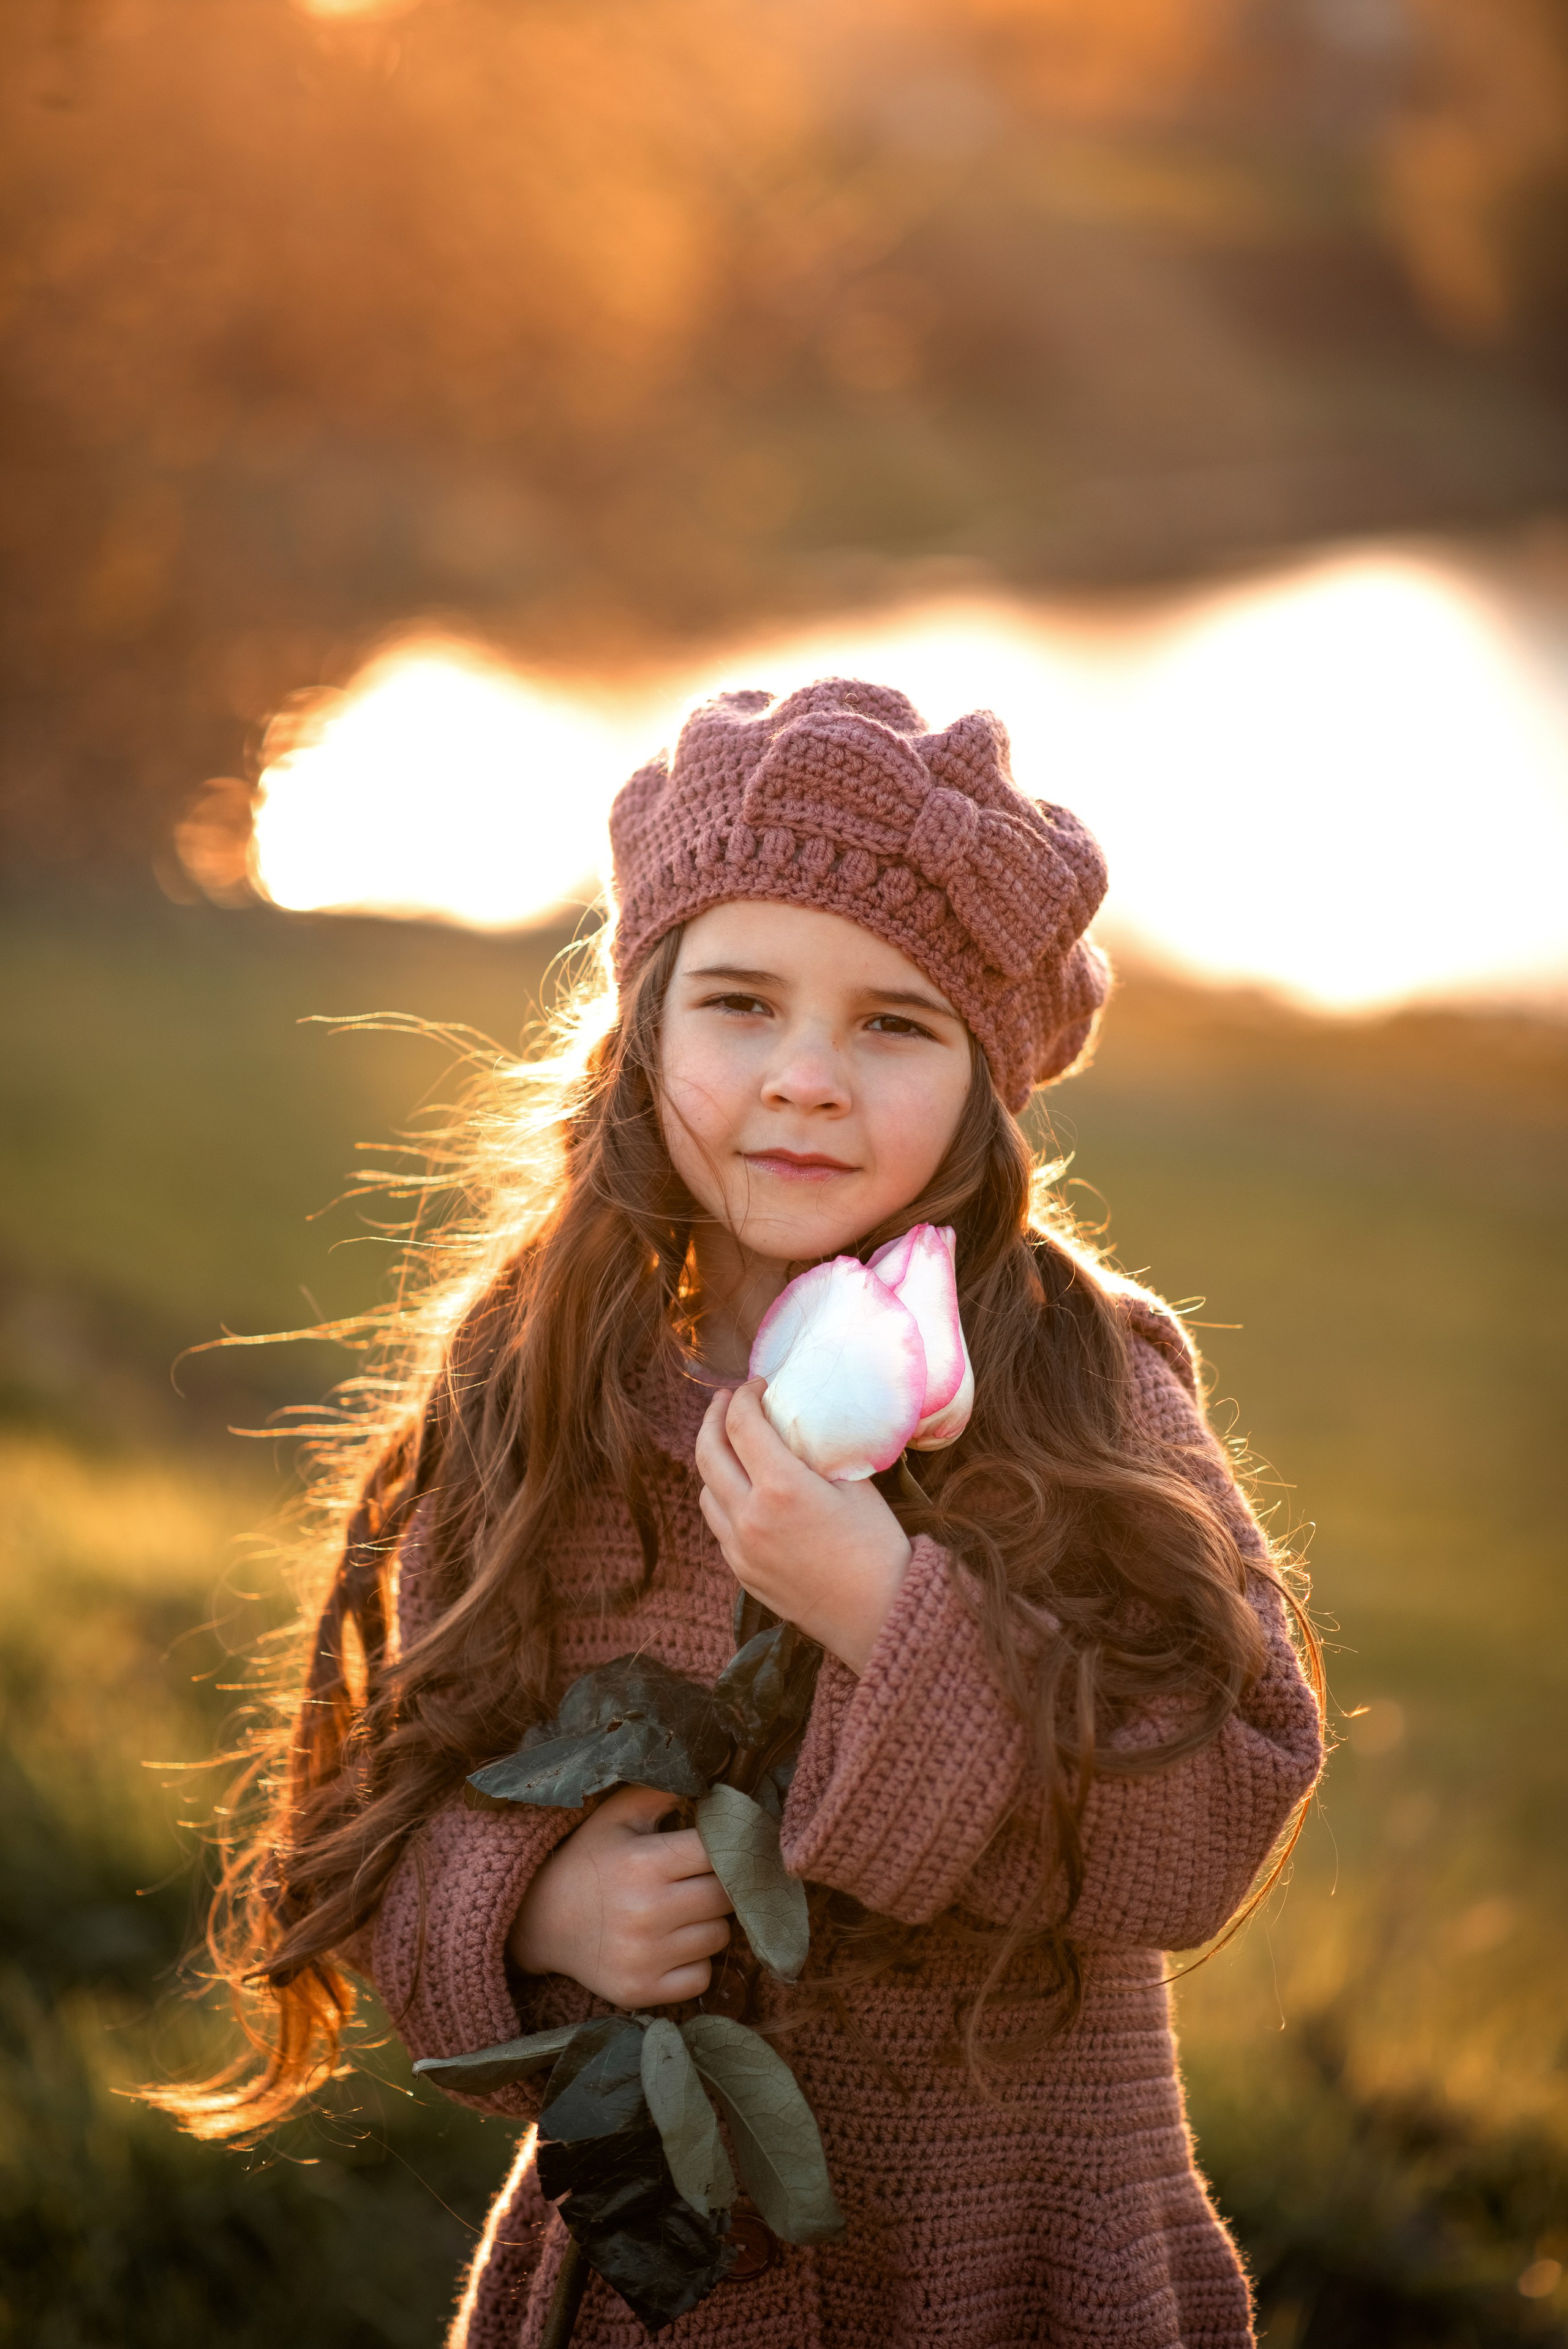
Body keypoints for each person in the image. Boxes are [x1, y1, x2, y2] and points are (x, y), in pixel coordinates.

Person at [167, 679, 1324, 2347]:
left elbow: (1222, 1801)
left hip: (1007, 2263)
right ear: (644, 1030)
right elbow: (400, 1794)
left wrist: (886, 1610)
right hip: (668, 2295)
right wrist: (536, 1898)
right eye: (741, 1003)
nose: (804, 1078)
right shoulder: (545, 1379)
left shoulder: (1083, 1387)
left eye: (894, 1024)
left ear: (990, 1088)